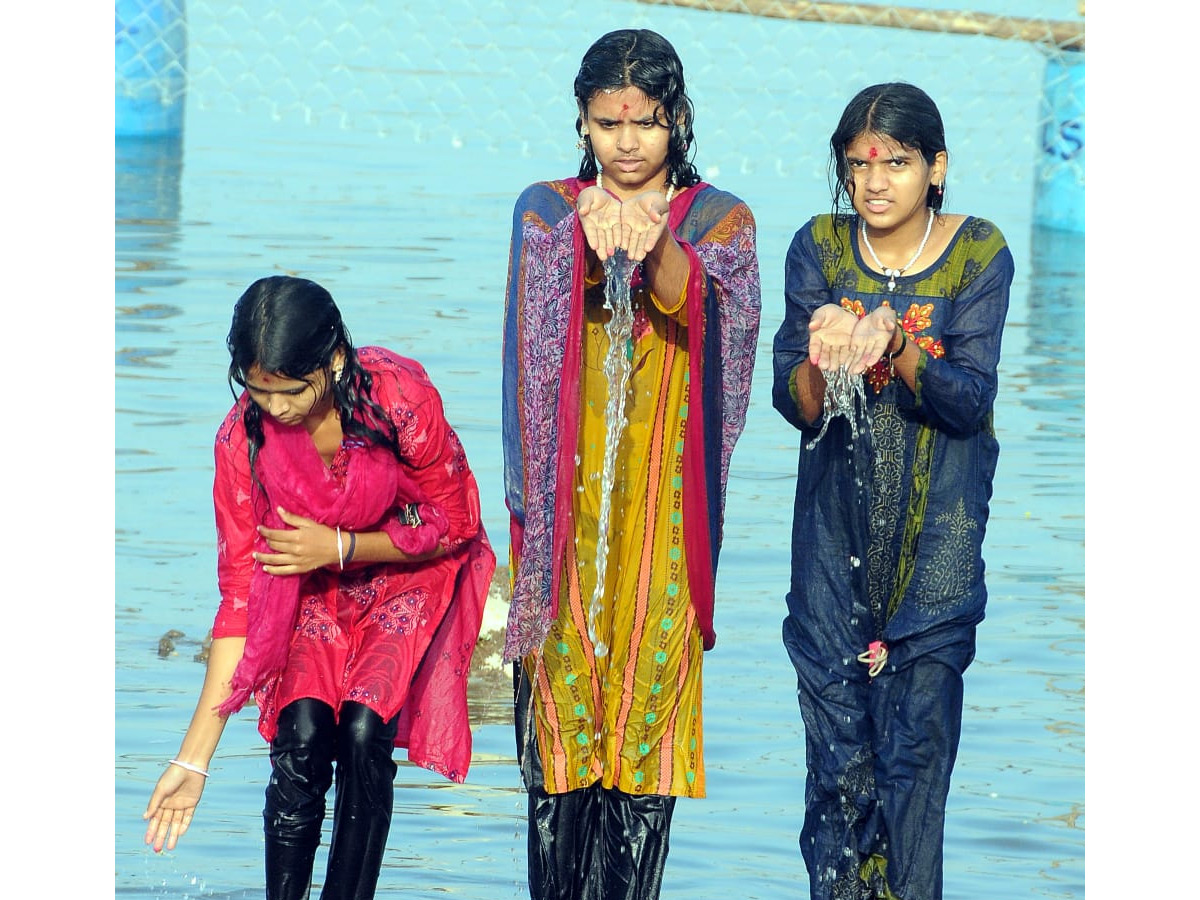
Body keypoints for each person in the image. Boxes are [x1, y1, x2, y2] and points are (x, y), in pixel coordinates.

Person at [500, 28, 761, 900]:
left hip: (665, 521)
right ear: (581, 121)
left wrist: (653, 251)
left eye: (645, 123)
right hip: (564, 523)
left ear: (676, 121)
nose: (626, 141)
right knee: (563, 725)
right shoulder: (545, 208)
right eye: (608, 122)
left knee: (646, 722)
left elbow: (725, 329)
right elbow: (538, 313)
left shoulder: (719, 219)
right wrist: (587, 241)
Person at [142, 275, 495, 900]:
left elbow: (457, 521)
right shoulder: (240, 442)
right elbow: (243, 597)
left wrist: (344, 546)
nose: (274, 408)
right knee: (301, 732)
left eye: (291, 391)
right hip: (308, 589)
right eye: (257, 389)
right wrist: (193, 759)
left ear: (333, 360)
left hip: (403, 573)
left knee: (362, 730)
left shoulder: (397, 398)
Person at [771, 82, 1014, 900]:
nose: (875, 182)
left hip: (934, 567)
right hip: (830, 568)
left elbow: (968, 398)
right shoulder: (820, 248)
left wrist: (898, 346)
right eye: (859, 164)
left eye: (898, 163)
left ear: (936, 168)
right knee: (837, 785)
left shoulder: (978, 254)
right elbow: (794, 403)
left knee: (913, 780)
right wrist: (822, 352)